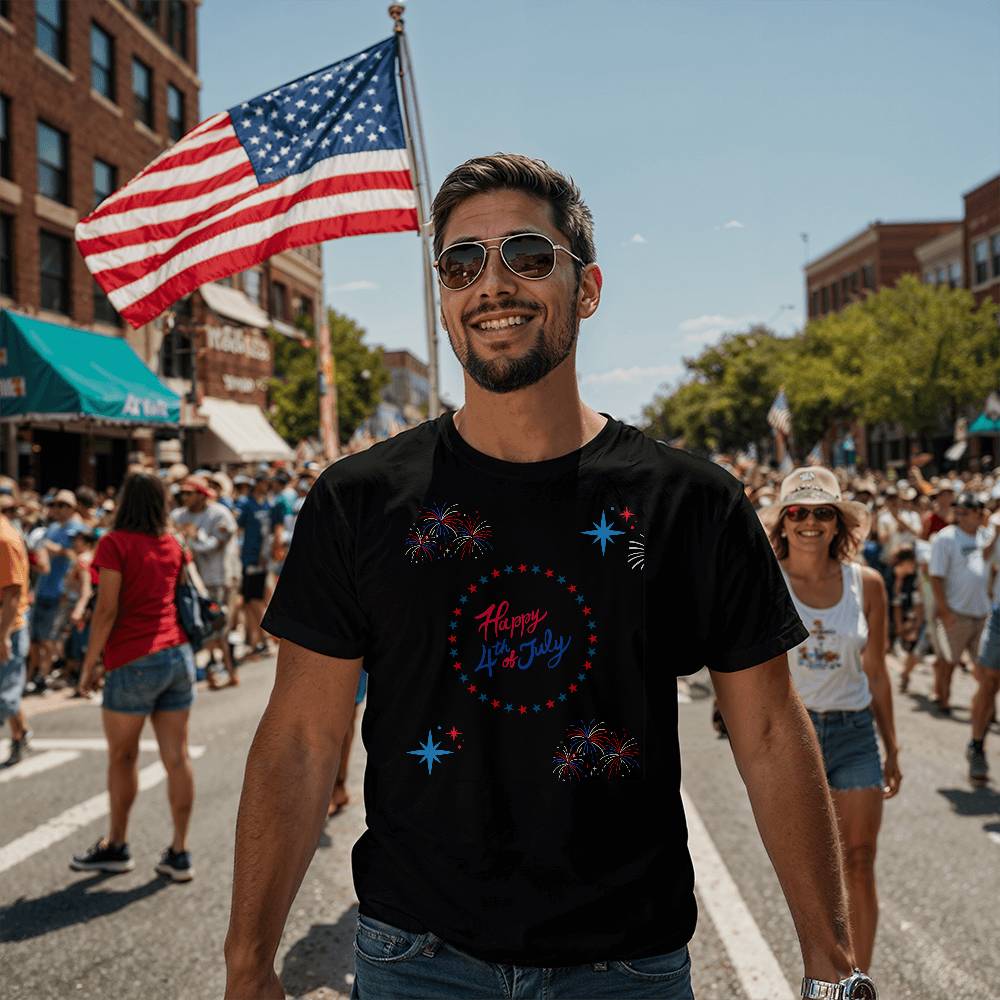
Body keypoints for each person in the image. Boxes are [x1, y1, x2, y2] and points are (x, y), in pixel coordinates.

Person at [225, 154, 874, 1000]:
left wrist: (832, 965)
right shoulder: (357, 501)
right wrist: (247, 964)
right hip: (413, 962)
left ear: (588, 287)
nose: (491, 284)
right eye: (462, 263)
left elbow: (771, 733)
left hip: (627, 966)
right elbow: (303, 740)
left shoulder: (692, 502)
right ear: (443, 296)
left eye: (528, 255)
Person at [762, 466, 900, 971]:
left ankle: (857, 979)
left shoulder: (868, 584)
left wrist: (893, 747)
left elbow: (878, 672)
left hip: (854, 732)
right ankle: (826, 972)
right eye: (798, 511)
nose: (810, 522)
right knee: (814, 876)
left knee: (860, 861)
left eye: (823, 512)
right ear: (783, 522)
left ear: (839, 522)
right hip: (796, 737)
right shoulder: (766, 579)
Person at [71, 471, 197, 883]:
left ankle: (117, 845)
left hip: (133, 657)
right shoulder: (174, 543)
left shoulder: (115, 543)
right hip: (177, 654)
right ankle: (179, 852)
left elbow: (106, 610)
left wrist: (89, 666)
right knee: (177, 758)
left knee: (122, 757)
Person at [171, 476, 239, 688]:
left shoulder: (220, 514)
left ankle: (226, 670)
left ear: (201, 494)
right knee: (198, 627)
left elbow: (214, 546)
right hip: (187, 582)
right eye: (183, 493)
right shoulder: (178, 515)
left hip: (214, 579)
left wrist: (194, 537)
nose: (185, 497)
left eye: (189, 493)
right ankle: (214, 670)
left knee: (216, 625)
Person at [929, 492, 991, 718]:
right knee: (948, 663)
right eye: (960, 512)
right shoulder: (946, 538)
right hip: (956, 612)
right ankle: (943, 699)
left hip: (983, 612)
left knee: (986, 667)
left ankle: (987, 708)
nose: (963, 516)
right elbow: (936, 577)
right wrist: (944, 610)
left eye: (969, 511)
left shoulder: (987, 535)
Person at [27, 489, 81, 694]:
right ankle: (36, 674)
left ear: (71, 508)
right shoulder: (52, 528)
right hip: (42, 588)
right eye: (54, 505)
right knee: (35, 638)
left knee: (50, 638)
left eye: (61, 505)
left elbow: (77, 556)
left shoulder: (77, 529)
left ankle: (44, 676)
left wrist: (55, 549)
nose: (56, 509)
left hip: (60, 591)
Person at [967, 501, 1000, 782]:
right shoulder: (995, 528)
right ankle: (977, 745)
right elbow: (985, 559)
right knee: (988, 682)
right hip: (999, 615)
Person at [235, 474, 283, 658]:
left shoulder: (269, 505)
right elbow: (239, 529)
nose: (267, 486)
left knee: (254, 599)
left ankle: (266, 637)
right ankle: (260, 640)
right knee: (251, 600)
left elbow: (274, 531)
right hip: (250, 558)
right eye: (264, 483)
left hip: (260, 560)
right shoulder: (247, 505)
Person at [0, 498, 32, 767]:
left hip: (8, 626)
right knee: (6, 690)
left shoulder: (4, 539)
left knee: (4, 694)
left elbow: (12, 593)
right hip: (7, 626)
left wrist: (3, 636)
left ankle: (19, 737)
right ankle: (20, 734)